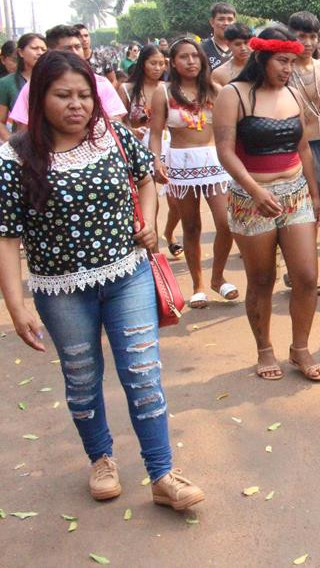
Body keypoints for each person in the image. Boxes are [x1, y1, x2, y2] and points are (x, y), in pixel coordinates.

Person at [0, 50, 205, 511]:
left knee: (143, 373)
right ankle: (101, 459)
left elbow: (148, 178)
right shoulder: (13, 157)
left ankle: (162, 473)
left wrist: (150, 222)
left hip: (127, 275)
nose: (77, 105)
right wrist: (17, 306)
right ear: (38, 101)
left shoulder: (112, 137)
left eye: (84, 95)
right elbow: (6, 238)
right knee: (82, 379)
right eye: (63, 96)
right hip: (60, 291)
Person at [212, 27, 320, 381]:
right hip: (251, 199)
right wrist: (254, 190)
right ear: (262, 58)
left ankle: (300, 349)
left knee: (306, 277)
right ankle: (264, 349)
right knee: (261, 279)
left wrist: (314, 191)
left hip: (295, 196)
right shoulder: (234, 95)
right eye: (281, 61)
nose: (288, 68)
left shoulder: (293, 93)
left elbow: (304, 147)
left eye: (292, 62)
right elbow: (225, 152)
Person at [149, 38, 237, 308]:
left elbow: (229, 129)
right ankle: (198, 285)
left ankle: (217, 278)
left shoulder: (216, 90)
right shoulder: (163, 92)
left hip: (215, 163)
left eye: (195, 56)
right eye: (184, 57)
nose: (191, 62)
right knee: (191, 226)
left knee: (226, 223)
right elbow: (155, 133)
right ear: (173, 62)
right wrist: (156, 160)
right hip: (182, 165)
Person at [117, 45, 181, 256]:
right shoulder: (127, 88)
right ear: (142, 63)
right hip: (137, 149)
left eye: (162, 63)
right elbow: (117, 120)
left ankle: (170, 233)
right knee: (149, 201)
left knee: (177, 201)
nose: (158, 67)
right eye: (153, 63)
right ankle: (153, 257)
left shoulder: (169, 87)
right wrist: (131, 130)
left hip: (169, 144)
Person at [8, 25, 127, 128]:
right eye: (68, 49)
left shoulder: (101, 84)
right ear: (51, 52)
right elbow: (23, 127)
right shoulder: (34, 87)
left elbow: (116, 123)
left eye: (77, 47)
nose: (75, 53)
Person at [287, 12, 320, 218]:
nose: (308, 43)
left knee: (319, 198)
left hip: (317, 142)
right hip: (287, 145)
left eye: (313, 36)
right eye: (301, 36)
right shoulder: (283, 68)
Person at [0, 33, 46, 141]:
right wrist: (12, 143)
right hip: (23, 144)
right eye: (34, 48)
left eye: (43, 49)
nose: (39, 52)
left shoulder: (54, 80)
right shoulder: (6, 83)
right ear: (20, 52)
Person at [199, 2, 237, 71]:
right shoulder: (201, 49)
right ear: (212, 22)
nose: (226, 23)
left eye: (230, 19)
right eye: (221, 19)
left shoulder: (244, 47)